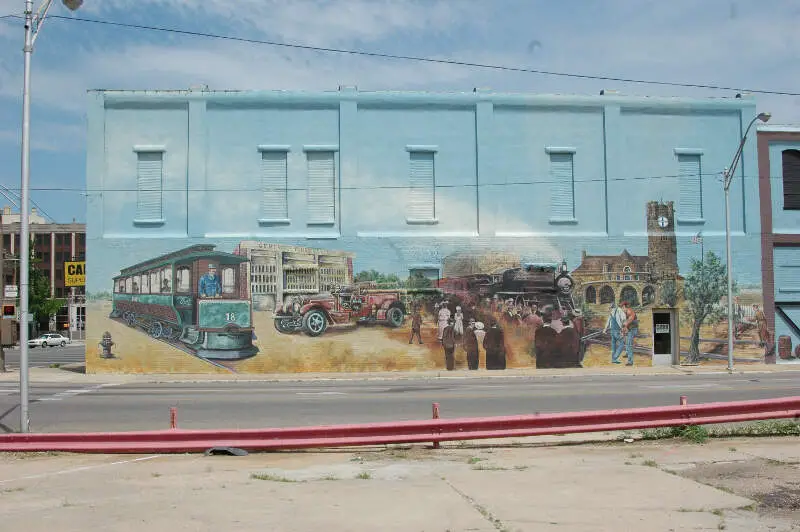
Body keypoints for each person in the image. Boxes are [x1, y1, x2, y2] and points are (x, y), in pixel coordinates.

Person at [620, 300, 639, 366]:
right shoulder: (625, 313)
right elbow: (624, 324)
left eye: (622, 308)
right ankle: (628, 353)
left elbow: (628, 321)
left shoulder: (630, 311)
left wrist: (624, 326)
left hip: (633, 329)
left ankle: (630, 362)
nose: (622, 309)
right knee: (626, 341)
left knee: (629, 344)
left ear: (625, 307)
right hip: (629, 329)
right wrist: (622, 331)